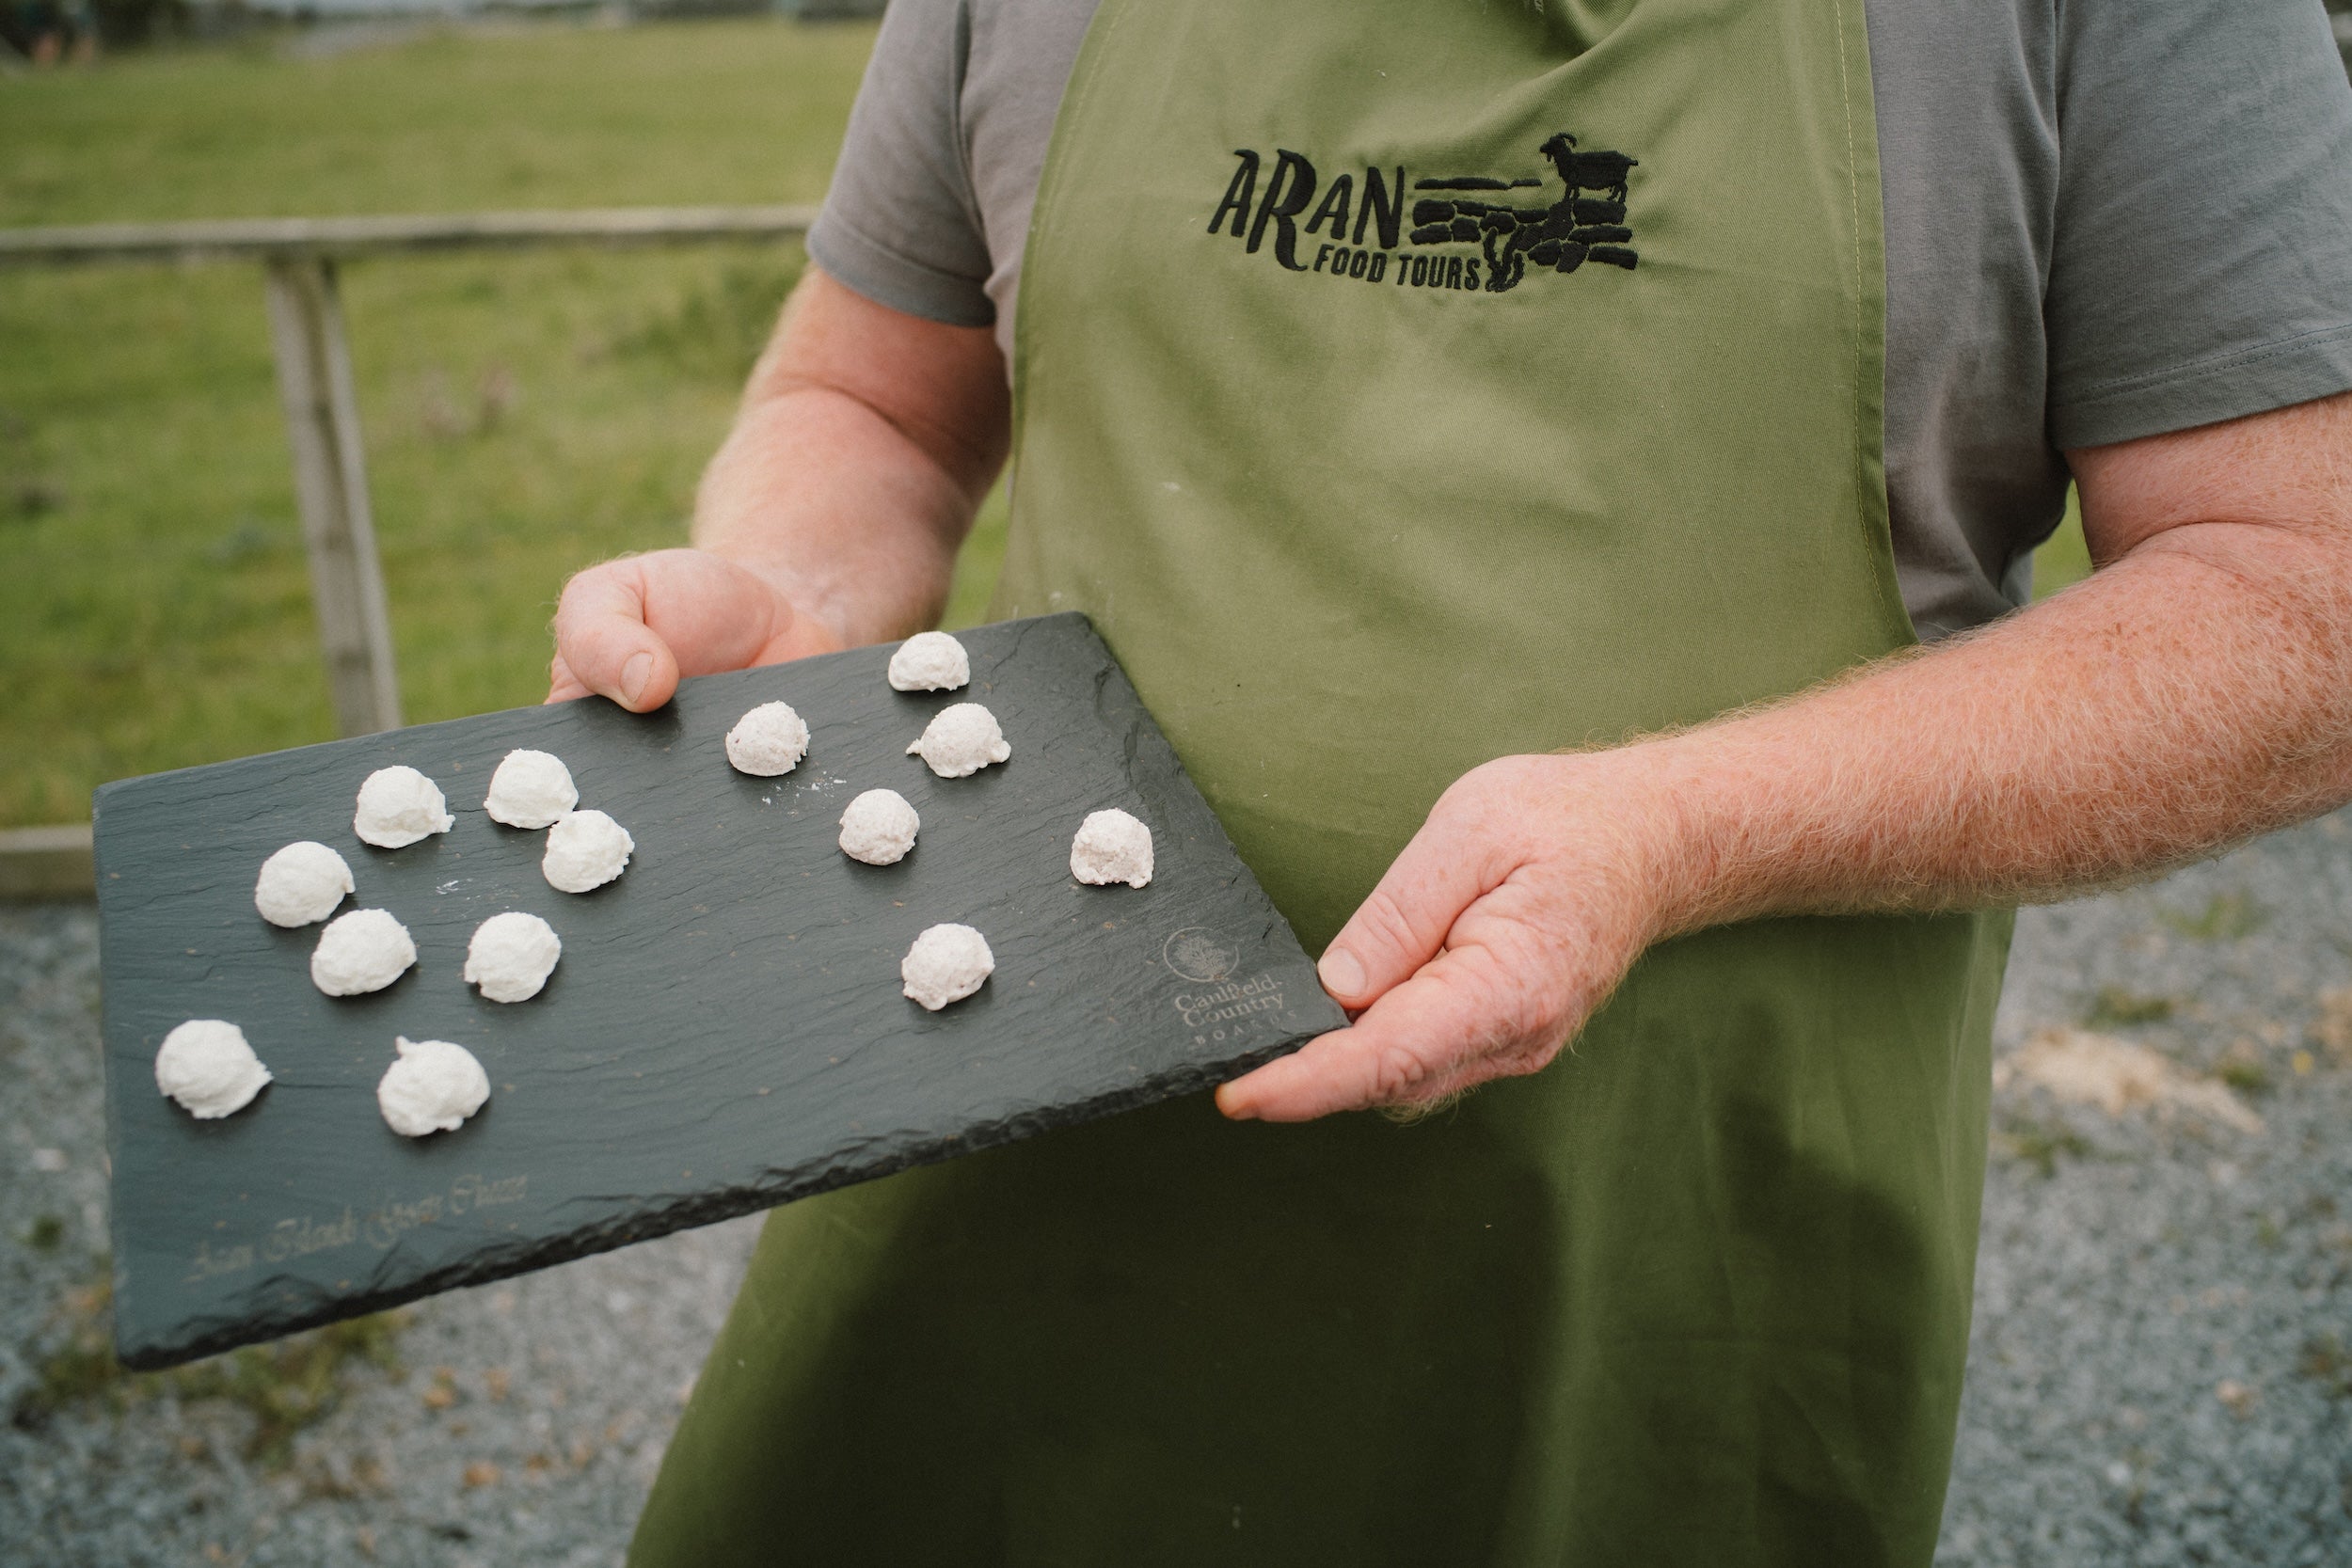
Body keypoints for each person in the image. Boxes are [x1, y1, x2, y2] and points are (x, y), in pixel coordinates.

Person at [550, 0, 2352, 1560]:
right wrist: (797, 593)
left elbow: (2302, 591)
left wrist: (1669, 832)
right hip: (980, 1213)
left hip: (1653, 1289)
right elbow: (871, 402)